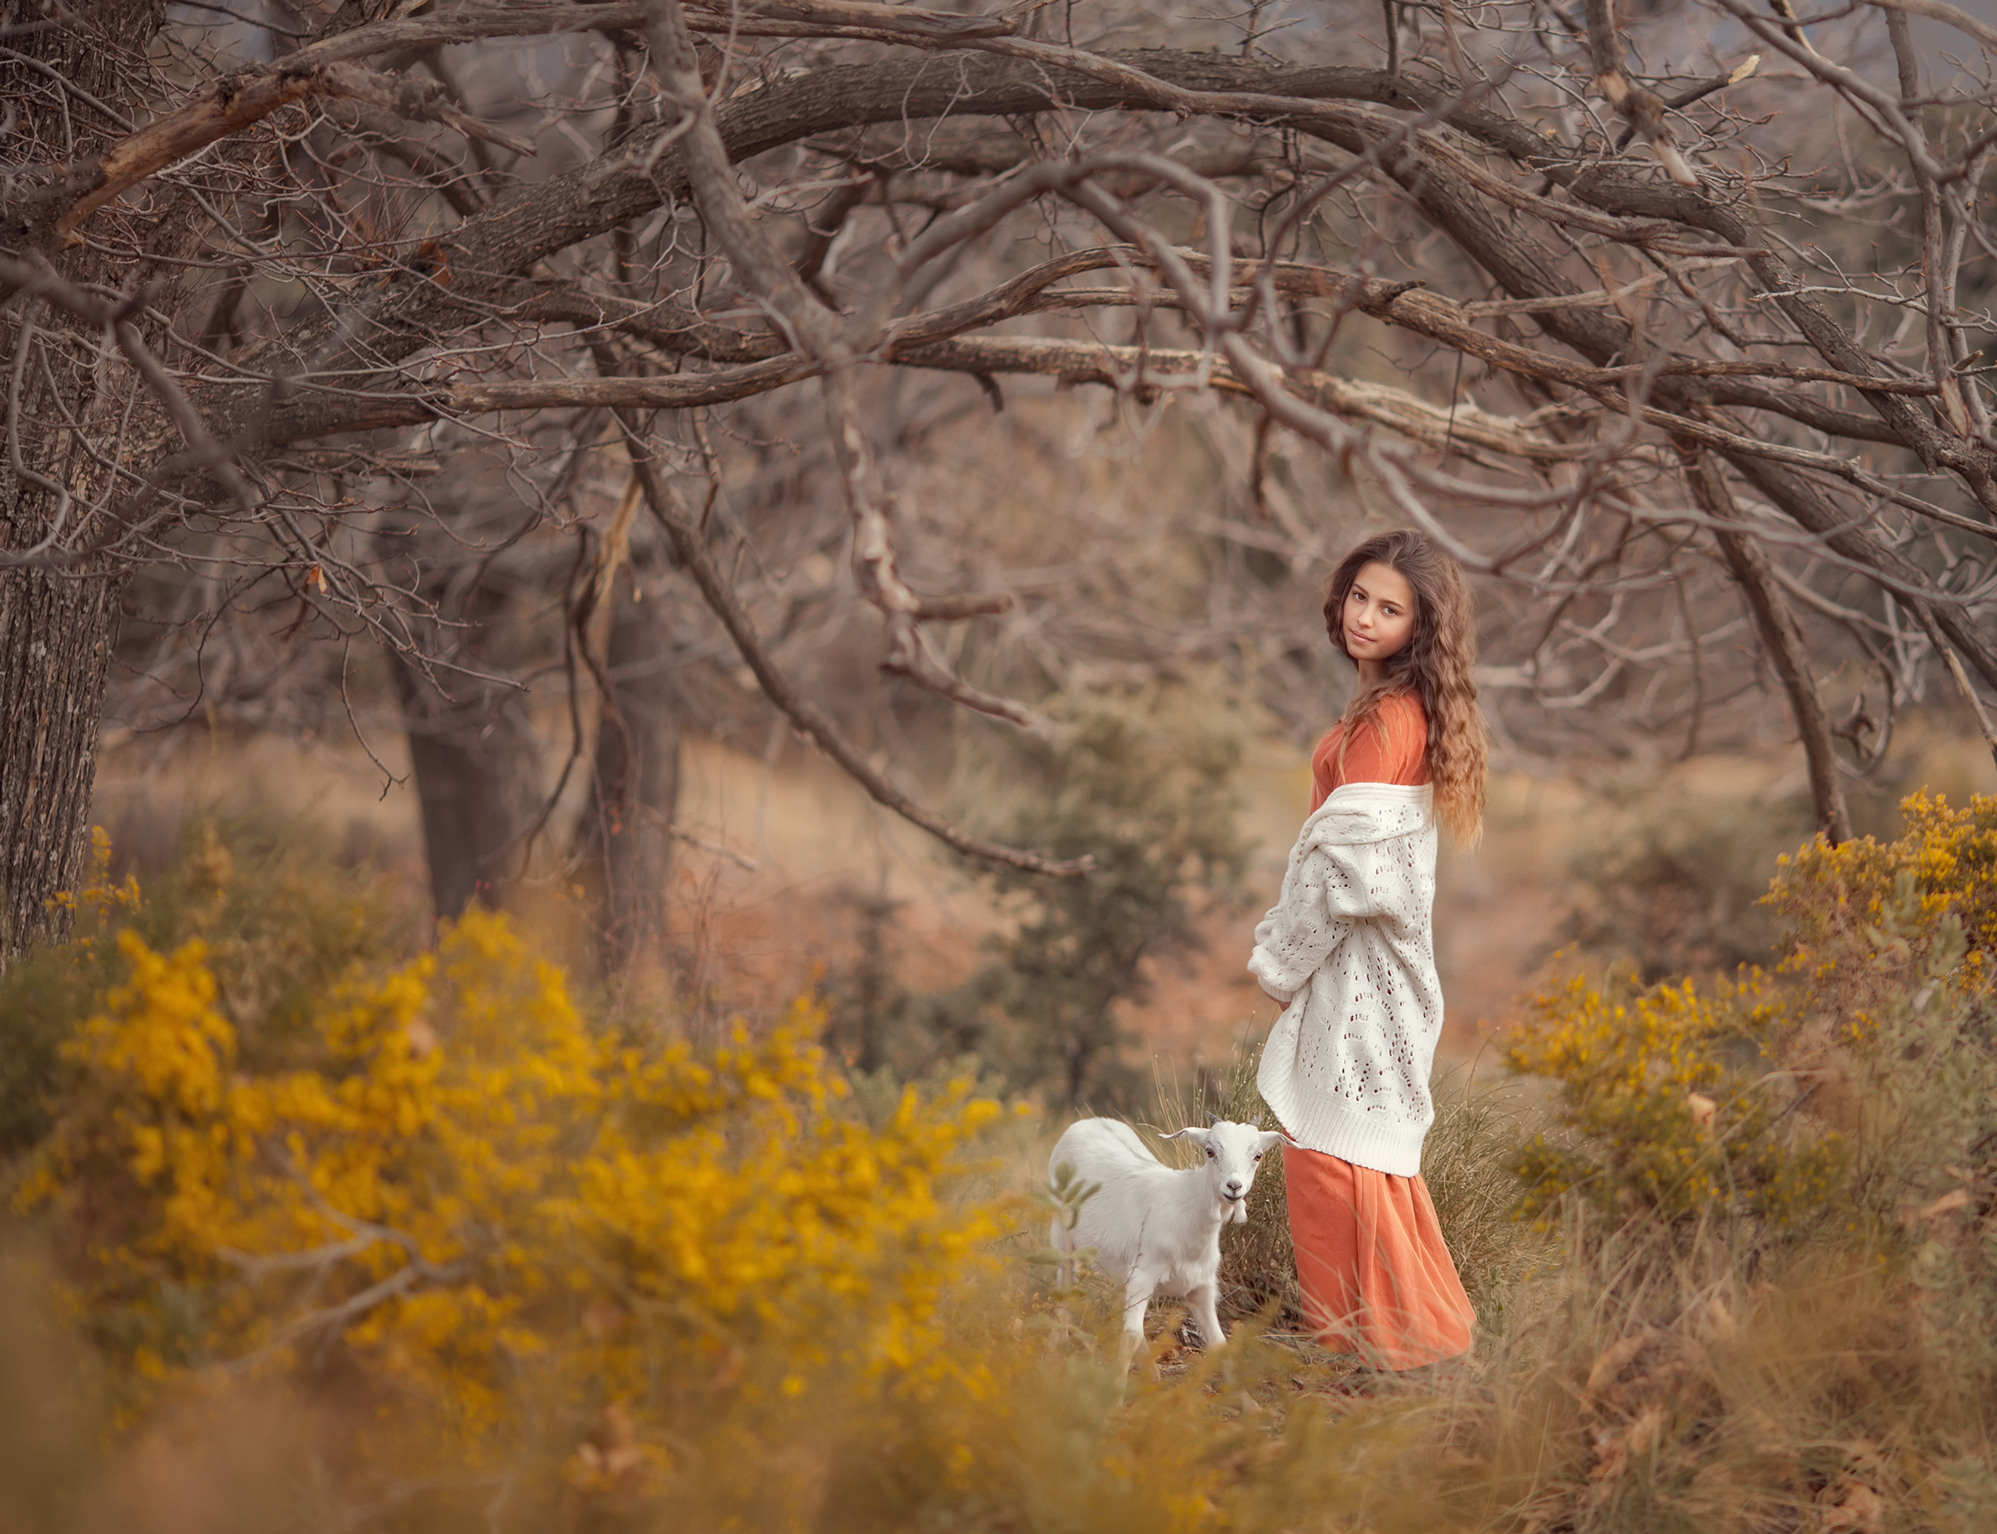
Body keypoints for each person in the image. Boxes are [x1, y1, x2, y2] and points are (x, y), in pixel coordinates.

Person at [1247, 528, 1487, 1370]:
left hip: (1357, 976)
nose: (1365, 618)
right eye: (1359, 596)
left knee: (1329, 1156)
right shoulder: (1396, 709)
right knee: (1363, 1159)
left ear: (1417, 628)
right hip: (1370, 973)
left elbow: (1344, 879)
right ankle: (1420, 1346)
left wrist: (1281, 964)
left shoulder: (1387, 720)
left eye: (1390, 609)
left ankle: (1379, 1356)